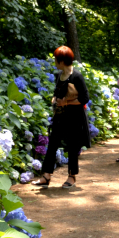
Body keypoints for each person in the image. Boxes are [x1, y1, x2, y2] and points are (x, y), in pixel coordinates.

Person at [30, 45, 91, 189]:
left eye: (56, 60)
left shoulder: (77, 76)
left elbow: (85, 98)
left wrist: (67, 102)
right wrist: (55, 100)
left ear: (62, 61)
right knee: (52, 144)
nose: (55, 62)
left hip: (74, 117)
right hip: (60, 116)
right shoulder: (59, 75)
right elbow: (57, 93)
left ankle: (72, 177)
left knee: (72, 146)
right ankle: (46, 176)